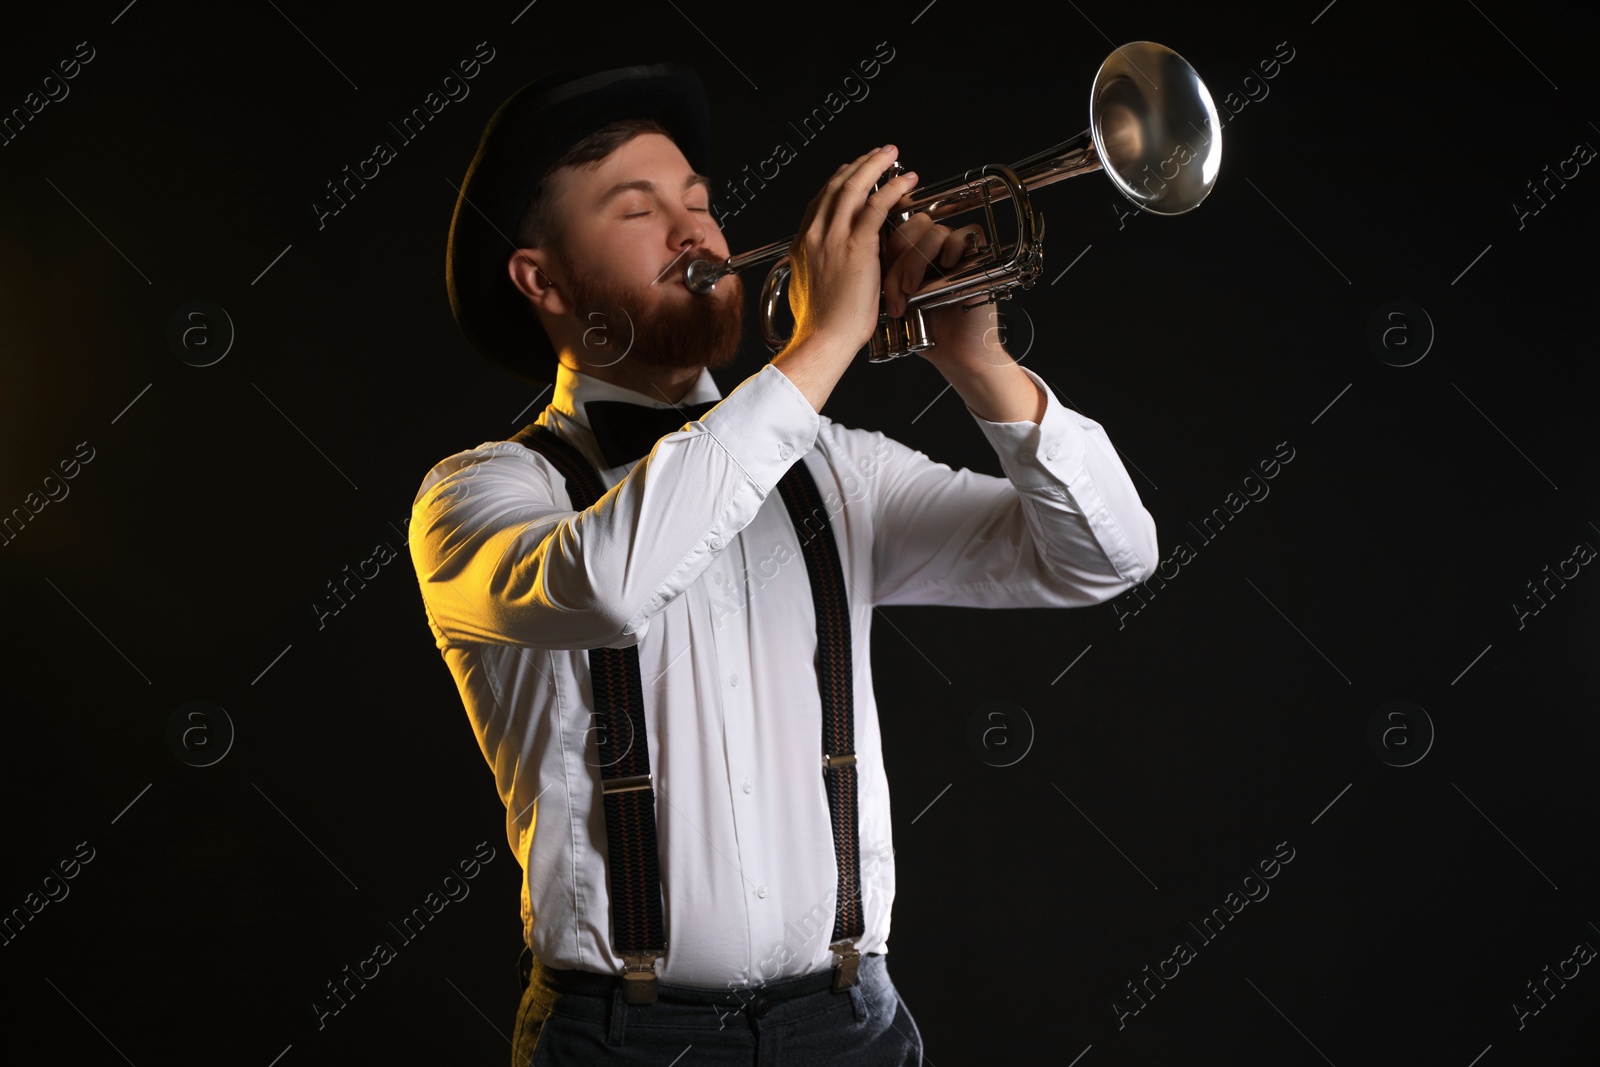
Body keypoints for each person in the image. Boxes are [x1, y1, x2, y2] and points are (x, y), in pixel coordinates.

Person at [411, 63, 1158, 1066]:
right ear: (543, 280)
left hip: (851, 1024)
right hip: (621, 1040)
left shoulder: (832, 470)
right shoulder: (479, 496)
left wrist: (976, 360)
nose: (695, 236)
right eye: (637, 211)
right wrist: (827, 341)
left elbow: (1106, 555)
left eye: (700, 204)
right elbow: (608, 583)